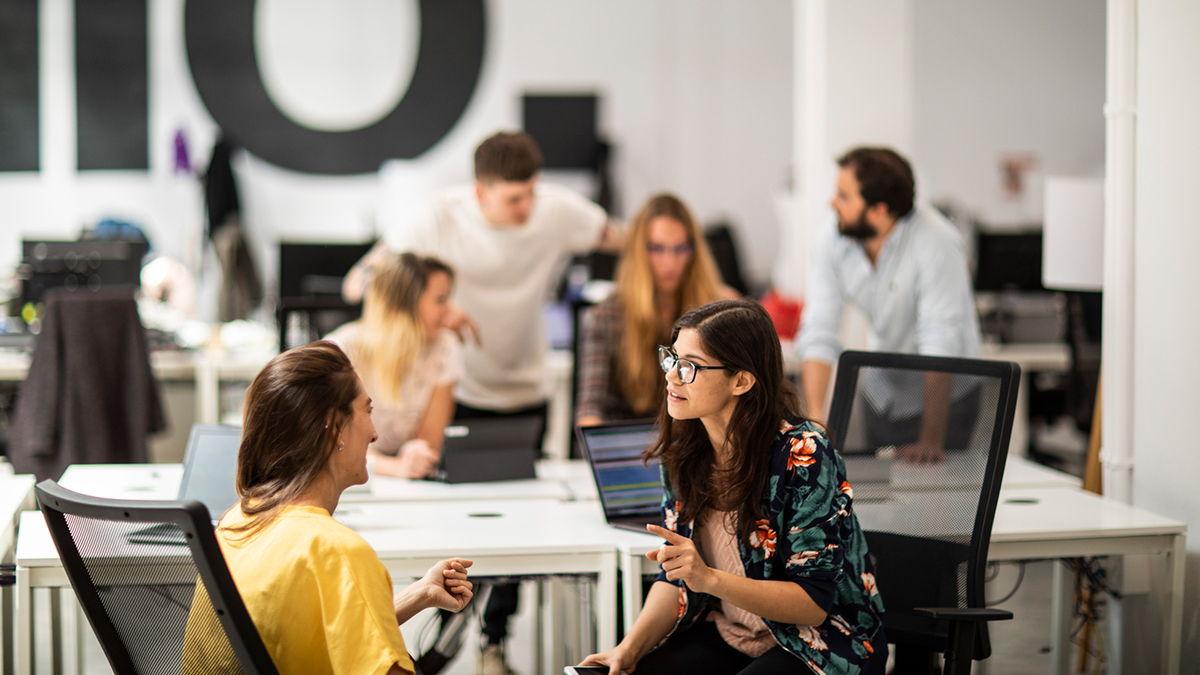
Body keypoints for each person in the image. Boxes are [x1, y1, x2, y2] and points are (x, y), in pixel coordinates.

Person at [343, 130, 620, 673]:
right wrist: (434, 313)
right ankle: (443, 640)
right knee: (460, 521)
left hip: (526, 387)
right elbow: (364, 285)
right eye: (514, 198)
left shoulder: (554, 211)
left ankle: (495, 641)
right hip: (465, 386)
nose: (527, 208)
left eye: (532, 194)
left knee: (520, 518)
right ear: (479, 191)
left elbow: (628, 239)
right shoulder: (435, 218)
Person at [580, 299, 887, 675]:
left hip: (821, 644)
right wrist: (627, 650)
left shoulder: (803, 453)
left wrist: (707, 579)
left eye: (690, 366)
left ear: (741, 380)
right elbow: (675, 576)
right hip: (733, 633)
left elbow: (812, 602)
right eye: (672, 359)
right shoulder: (683, 452)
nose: (672, 376)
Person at [182, 341, 474, 674]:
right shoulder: (334, 552)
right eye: (367, 410)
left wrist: (420, 593)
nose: (375, 433)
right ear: (335, 427)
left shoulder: (242, 520)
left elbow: (306, 638)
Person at [797, 147, 982, 462]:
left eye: (844, 196)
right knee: (884, 498)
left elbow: (940, 341)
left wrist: (930, 439)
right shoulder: (834, 237)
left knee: (937, 495)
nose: (832, 203)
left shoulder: (937, 242)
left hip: (945, 400)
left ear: (879, 211)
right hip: (883, 394)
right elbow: (819, 328)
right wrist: (815, 423)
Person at [575, 193, 737, 425]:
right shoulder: (606, 316)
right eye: (657, 249)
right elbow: (590, 408)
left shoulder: (720, 310)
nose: (670, 262)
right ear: (639, 252)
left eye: (680, 248)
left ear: (694, 251)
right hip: (628, 441)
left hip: (697, 444)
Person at [326, 252, 460, 479]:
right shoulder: (342, 351)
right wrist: (394, 467)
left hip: (404, 484)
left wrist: (413, 461)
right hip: (349, 482)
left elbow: (427, 446)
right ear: (404, 305)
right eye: (440, 299)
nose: (451, 310)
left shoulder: (445, 347)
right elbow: (332, 447)